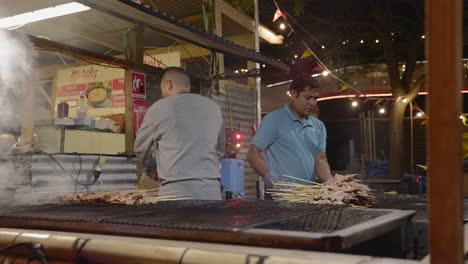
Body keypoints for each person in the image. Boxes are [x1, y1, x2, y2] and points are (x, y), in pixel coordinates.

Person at [134, 67, 225, 200]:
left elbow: (140, 149)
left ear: (168, 84)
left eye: (162, 90)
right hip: (211, 192)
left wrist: (153, 164)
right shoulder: (213, 107)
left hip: (175, 194)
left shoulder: (159, 108)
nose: (163, 94)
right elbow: (220, 151)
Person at [247, 76, 334, 191]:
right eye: (308, 97)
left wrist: (333, 184)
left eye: (315, 98)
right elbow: (253, 154)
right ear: (293, 94)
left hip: (307, 196)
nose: (313, 103)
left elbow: (321, 160)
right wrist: (270, 177)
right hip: (280, 198)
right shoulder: (273, 120)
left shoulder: (319, 126)